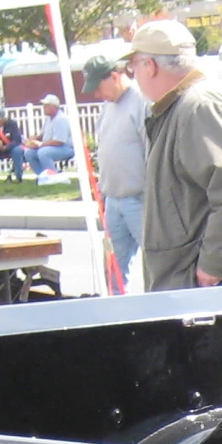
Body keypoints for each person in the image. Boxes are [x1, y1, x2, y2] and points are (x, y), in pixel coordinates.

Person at [131, 18, 222, 289]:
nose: (132, 75)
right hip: (196, 286)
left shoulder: (199, 107)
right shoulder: (185, 107)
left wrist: (212, 266)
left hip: (213, 291)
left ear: (150, 66)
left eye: (133, 66)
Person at [82, 50, 148, 292]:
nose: (98, 94)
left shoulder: (141, 102)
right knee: (113, 268)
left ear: (114, 76)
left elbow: (152, 151)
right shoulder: (107, 108)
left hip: (139, 199)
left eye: (98, 87)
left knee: (155, 262)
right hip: (113, 200)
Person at [29, 94, 77, 178]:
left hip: (66, 148)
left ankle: (53, 176)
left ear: (54, 107)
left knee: (43, 152)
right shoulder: (48, 118)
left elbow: (59, 141)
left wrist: (40, 144)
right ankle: (42, 175)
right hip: (49, 146)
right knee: (29, 153)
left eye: (46, 105)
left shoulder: (61, 119)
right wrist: (35, 139)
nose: (43, 107)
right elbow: (42, 134)